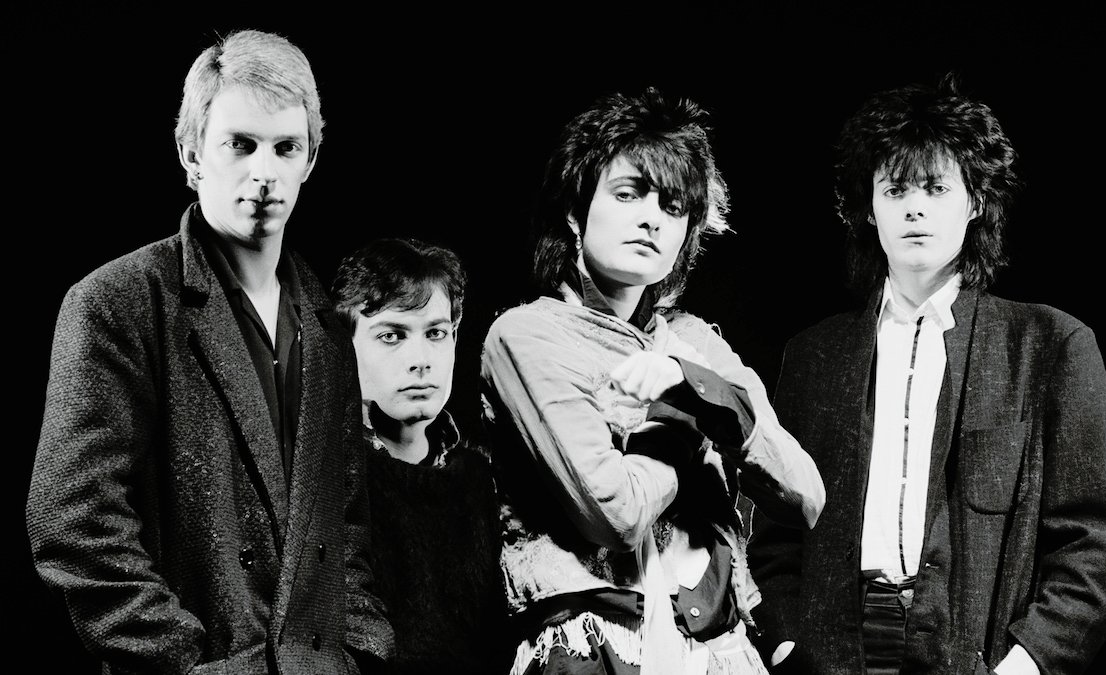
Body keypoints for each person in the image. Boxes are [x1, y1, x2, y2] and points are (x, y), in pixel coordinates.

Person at [26, 29, 394, 674]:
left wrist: (361, 649)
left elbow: (345, 527)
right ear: (191, 152)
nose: (264, 173)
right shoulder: (117, 302)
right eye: (240, 144)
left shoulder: (330, 331)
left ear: (310, 161)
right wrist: (189, 664)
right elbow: (72, 520)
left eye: (286, 148)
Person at [747, 73, 1106, 675]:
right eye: (895, 189)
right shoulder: (813, 355)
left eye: (936, 187)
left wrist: (1026, 664)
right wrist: (787, 644)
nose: (915, 207)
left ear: (975, 202)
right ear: (868, 208)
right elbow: (773, 533)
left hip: (976, 653)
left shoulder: (1049, 346)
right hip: (833, 653)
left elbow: (1097, 541)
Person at [479, 86, 826, 675]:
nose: (651, 218)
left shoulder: (695, 343)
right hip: (594, 652)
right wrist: (690, 414)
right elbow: (614, 513)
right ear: (575, 210)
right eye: (628, 193)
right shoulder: (527, 335)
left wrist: (692, 384)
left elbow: (805, 497)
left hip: (719, 650)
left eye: (673, 206)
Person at [331, 238, 510, 674]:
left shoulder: (486, 478)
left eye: (436, 334)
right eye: (391, 336)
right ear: (344, 345)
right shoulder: (326, 478)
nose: (420, 361)